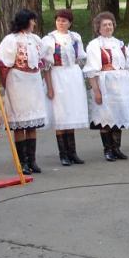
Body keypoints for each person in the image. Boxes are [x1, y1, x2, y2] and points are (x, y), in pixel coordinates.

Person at [0, 9, 48, 174]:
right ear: (25, 21)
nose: (34, 24)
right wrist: (6, 85)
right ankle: (22, 161)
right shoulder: (11, 39)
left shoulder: (36, 39)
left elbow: (44, 57)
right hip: (17, 81)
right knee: (20, 122)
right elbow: (5, 63)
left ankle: (32, 160)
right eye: (32, 21)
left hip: (34, 81)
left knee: (32, 121)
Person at [83, 11, 129, 162]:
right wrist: (96, 91)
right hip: (105, 85)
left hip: (121, 85)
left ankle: (116, 148)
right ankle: (108, 149)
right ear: (98, 28)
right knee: (105, 116)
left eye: (110, 24)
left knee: (118, 115)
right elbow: (92, 70)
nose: (108, 27)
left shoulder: (119, 44)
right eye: (104, 25)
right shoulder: (95, 45)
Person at [42, 9, 88, 166]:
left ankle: (72, 152)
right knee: (60, 114)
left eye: (64, 20)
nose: (61, 23)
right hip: (57, 76)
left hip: (72, 77)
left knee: (71, 113)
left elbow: (81, 58)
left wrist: (78, 73)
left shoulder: (75, 37)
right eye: (58, 20)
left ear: (70, 23)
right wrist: (49, 87)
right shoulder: (49, 39)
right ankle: (63, 153)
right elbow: (46, 66)